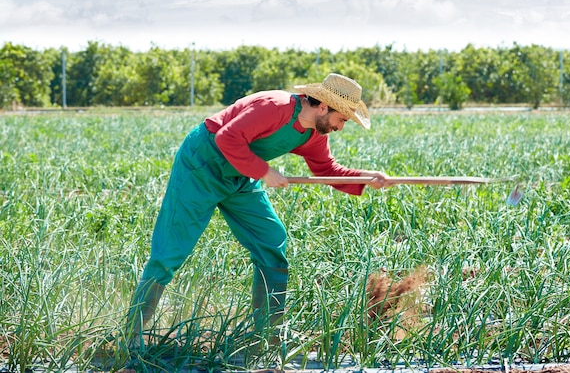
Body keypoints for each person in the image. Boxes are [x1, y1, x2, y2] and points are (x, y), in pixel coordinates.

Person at [125, 72, 390, 355]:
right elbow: (227, 138)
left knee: (271, 241)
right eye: (343, 118)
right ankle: (131, 335)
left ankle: (268, 336)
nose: (341, 126)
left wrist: (365, 177)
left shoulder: (314, 134)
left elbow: (327, 170)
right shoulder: (274, 107)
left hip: (240, 175)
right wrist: (263, 171)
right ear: (323, 106)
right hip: (201, 165)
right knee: (171, 251)